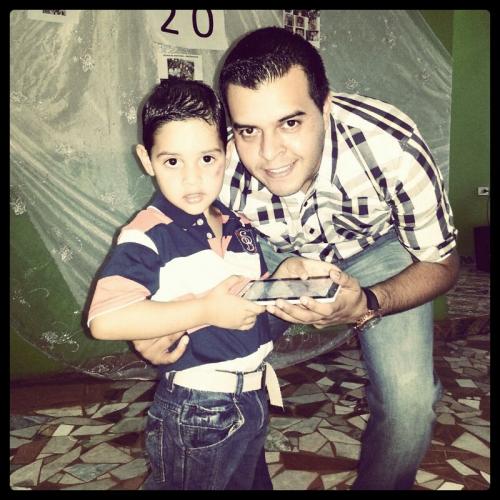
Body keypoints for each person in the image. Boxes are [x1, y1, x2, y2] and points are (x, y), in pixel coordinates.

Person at [133, 27, 459, 490]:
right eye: (248, 130)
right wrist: (163, 322)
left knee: (410, 403)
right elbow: (174, 243)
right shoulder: (216, 161)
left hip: (378, 250)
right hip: (264, 248)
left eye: (290, 123)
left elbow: (442, 264)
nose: (270, 155)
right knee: (212, 373)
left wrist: (369, 302)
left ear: (325, 107)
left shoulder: (392, 147)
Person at [87, 78, 290, 490]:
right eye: (172, 162)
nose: (192, 179)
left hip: (253, 396)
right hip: (198, 408)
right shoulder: (147, 233)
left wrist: (287, 283)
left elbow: (249, 309)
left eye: (207, 159)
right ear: (147, 160)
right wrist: (204, 310)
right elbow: (104, 319)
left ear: (227, 153)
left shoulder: (239, 225)